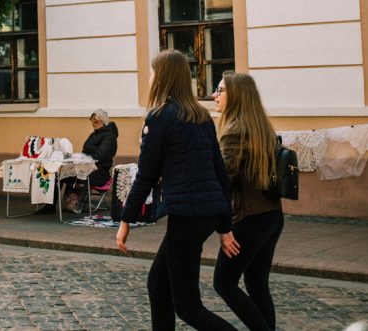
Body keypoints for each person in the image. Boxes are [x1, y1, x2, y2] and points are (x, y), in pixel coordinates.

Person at [117, 49, 238, 331]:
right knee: (158, 285)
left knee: (188, 306)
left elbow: (146, 175)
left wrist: (125, 221)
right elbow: (221, 175)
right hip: (203, 215)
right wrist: (224, 225)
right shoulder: (202, 117)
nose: (150, 77)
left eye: (153, 72)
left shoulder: (160, 117)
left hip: (188, 216)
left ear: (164, 77)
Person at [212, 72, 284, 331]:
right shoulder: (261, 127)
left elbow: (224, 180)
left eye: (220, 90)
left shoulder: (234, 131)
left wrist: (222, 226)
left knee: (223, 282)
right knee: (256, 283)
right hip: (271, 215)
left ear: (236, 95)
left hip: (248, 218)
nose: (214, 95)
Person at [63, 109, 118, 213]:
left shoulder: (110, 136)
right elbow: (86, 151)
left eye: (96, 121)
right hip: (87, 166)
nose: (93, 124)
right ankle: (51, 206)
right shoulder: (94, 134)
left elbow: (100, 156)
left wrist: (84, 157)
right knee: (63, 174)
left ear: (104, 121)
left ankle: (77, 204)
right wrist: (78, 157)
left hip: (100, 171)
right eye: (92, 121)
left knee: (81, 175)